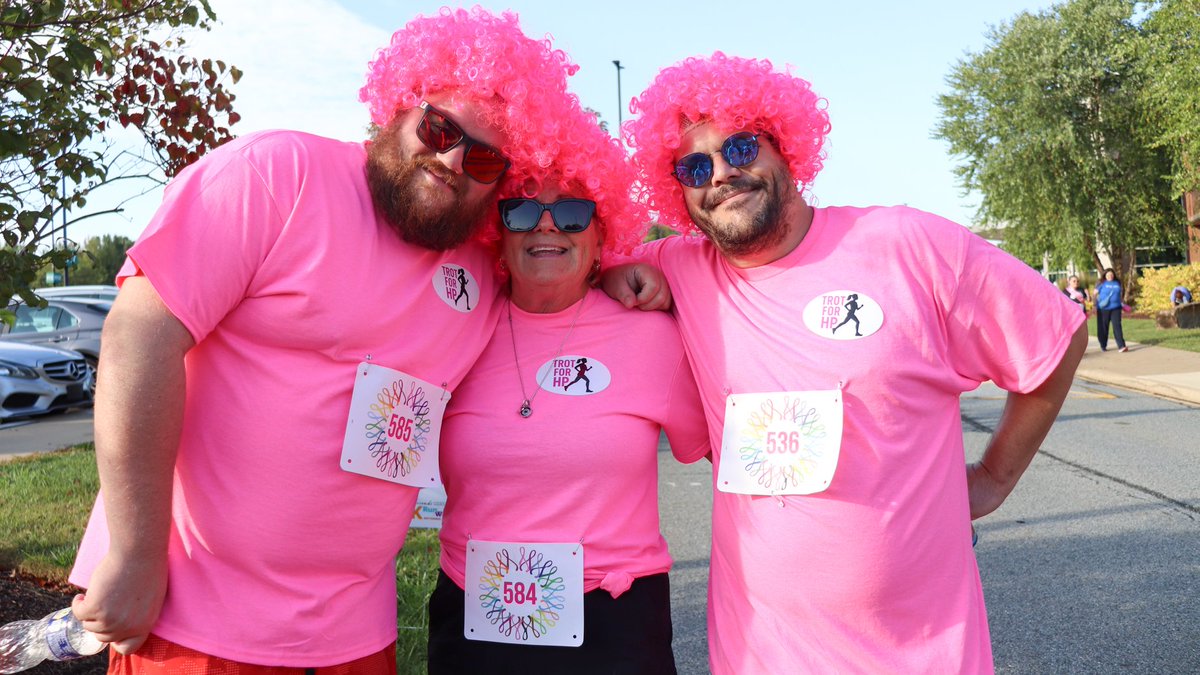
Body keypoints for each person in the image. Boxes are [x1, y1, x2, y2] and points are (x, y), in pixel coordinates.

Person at [67, 8, 586, 671]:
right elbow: (139, 335)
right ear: (397, 105)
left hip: (355, 638)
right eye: (439, 127)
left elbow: (564, 278)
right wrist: (135, 553)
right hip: (194, 624)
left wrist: (635, 270)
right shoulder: (278, 175)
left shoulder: (484, 272)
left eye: (483, 158)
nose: (454, 160)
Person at [613, 52, 1089, 674]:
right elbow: (574, 258)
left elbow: (1055, 336)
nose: (722, 174)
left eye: (742, 147)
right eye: (695, 165)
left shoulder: (907, 244)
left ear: (786, 147)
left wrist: (994, 478)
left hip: (924, 653)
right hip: (759, 653)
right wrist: (626, 270)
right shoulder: (683, 268)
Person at [426, 97, 708, 674]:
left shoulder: (652, 337)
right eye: (523, 212)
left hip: (614, 623)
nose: (548, 225)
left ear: (602, 235)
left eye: (573, 213)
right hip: (474, 617)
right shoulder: (457, 325)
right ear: (496, 233)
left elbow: (720, 453)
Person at [1095, 268, 1128, 352]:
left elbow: (1119, 294)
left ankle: (1121, 346)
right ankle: (1103, 345)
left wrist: (1122, 303)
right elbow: (1094, 294)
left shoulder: (1117, 283)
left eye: (1111, 274)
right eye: (1108, 275)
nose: (1110, 276)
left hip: (1116, 308)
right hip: (1103, 309)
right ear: (1105, 275)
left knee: (1117, 326)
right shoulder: (1101, 283)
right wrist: (1095, 303)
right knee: (1103, 327)